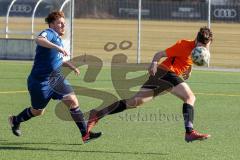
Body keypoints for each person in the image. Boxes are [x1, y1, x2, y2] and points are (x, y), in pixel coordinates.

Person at [87, 26, 213, 142]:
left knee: (134, 102)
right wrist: (153, 63)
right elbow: (159, 54)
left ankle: (97, 115)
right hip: (166, 73)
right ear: (196, 40)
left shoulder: (200, 50)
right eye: (201, 46)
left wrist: (188, 71)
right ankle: (189, 132)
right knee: (190, 97)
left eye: (206, 46)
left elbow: (187, 60)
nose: (203, 49)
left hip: (162, 75)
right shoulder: (183, 44)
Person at [8, 11, 101, 143]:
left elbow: (56, 59)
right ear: (52, 24)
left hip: (56, 79)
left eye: (64, 23)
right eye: (60, 23)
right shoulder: (49, 33)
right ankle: (15, 120)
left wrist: (70, 65)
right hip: (40, 82)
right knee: (38, 111)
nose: (63, 26)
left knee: (72, 100)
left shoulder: (58, 39)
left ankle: (85, 134)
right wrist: (57, 47)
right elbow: (39, 39)